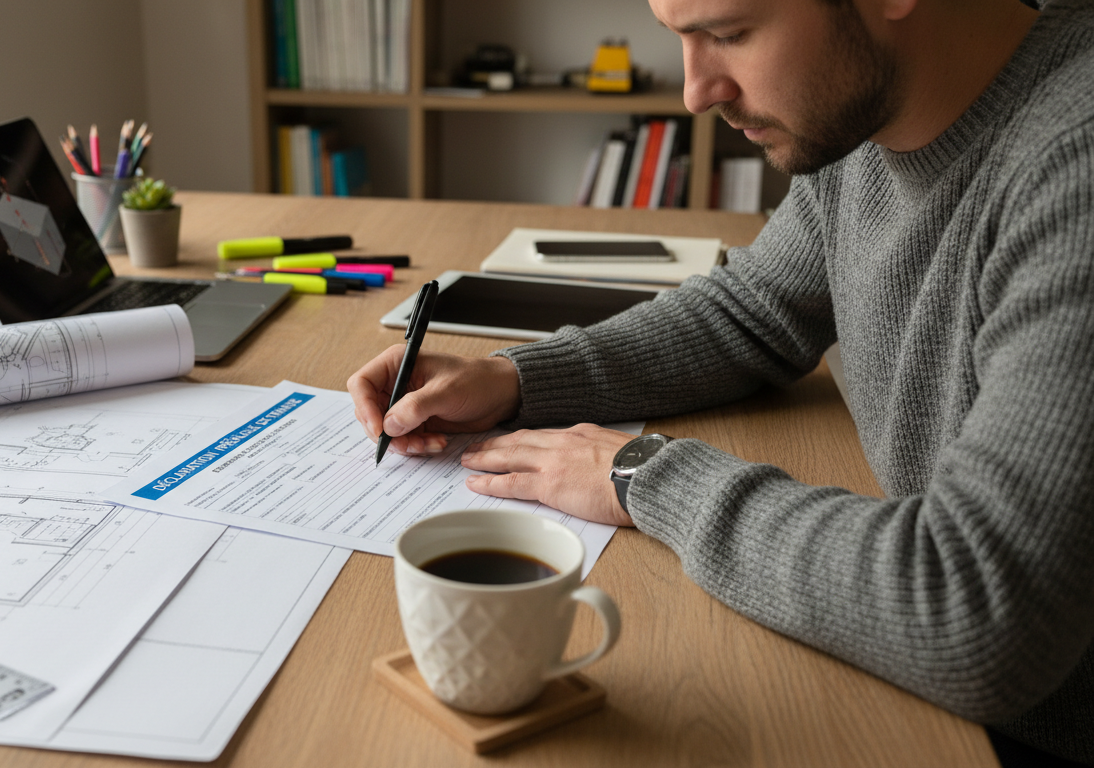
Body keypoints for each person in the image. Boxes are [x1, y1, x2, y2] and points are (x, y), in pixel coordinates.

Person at [347, 0, 1094, 763]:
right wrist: (514, 379)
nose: (696, 92)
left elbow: (979, 614)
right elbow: (755, 309)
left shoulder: (1074, 164)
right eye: (678, 36)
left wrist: (644, 473)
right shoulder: (871, 118)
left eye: (730, 34)